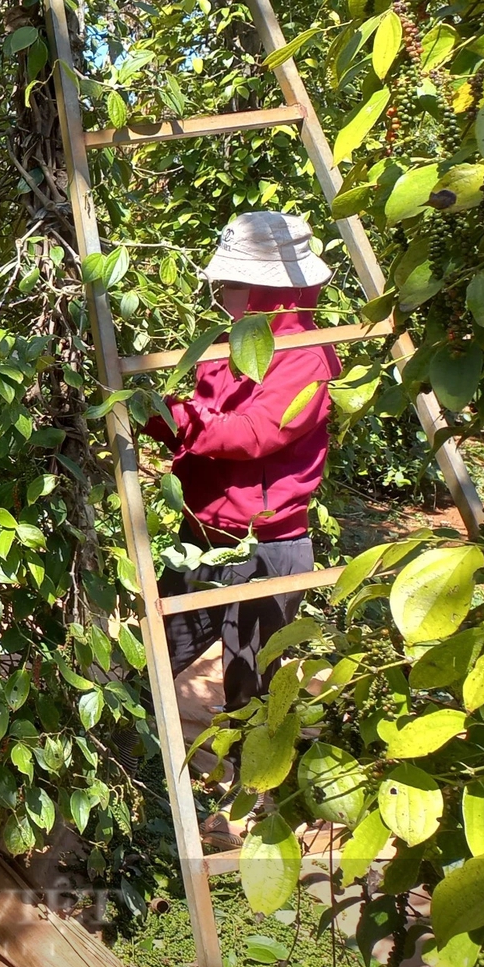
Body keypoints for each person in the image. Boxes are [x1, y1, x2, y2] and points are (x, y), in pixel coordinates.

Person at [147, 211, 342, 709]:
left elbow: (253, 434)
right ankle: (136, 759)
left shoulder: (302, 356)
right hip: (203, 536)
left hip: (267, 548)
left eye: (232, 282)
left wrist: (164, 416)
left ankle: (254, 785)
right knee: (157, 654)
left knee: (251, 684)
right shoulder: (225, 344)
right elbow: (202, 417)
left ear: (271, 291)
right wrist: (160, 414)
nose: (219, 291)